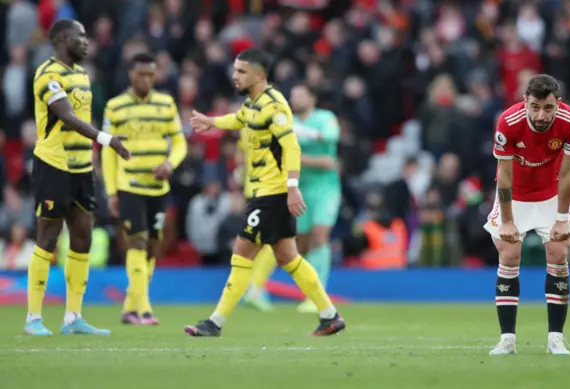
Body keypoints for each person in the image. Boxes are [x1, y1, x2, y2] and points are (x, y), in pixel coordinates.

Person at [186, 48, 345, 337]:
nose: (235, 76)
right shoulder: (253, 103)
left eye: (241, 71)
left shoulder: (275, 106)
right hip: (266, 192)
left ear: (259, 75)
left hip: (272, 193)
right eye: (235, 70)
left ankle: (215, 322)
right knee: (289, 258)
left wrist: (292, 189)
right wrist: (212, 121)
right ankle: (330, 316)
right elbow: (239, 119)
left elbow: (292, 146)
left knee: (242, 253)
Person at [26, 19, 130, 336]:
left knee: (83, 236)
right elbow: (67, 117)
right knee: (47, 237)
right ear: (62, 38)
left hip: (82, 166)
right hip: (53, 164)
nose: (87, 42)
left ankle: (73, 317)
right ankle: (33, 318)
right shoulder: (47, 74)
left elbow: (85, 118)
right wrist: (107, 139)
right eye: (81, 36)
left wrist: (94, 155)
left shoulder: (81, 75)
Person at [484, 74, 570, 355]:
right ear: (525, 103)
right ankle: (507, 340)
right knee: (509, 254)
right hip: (514, 194)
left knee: (558, 253)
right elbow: (503, 174)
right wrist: (506, 220)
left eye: (548, 108)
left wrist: (562, 216)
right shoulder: (508, 122)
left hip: (551, 193)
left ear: (558, 104)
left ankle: (556, 338)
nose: (541, 115)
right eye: (535, 107)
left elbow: (567, 172)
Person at [102, 53, 187, 326]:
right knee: (136, 243)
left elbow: (180, 142)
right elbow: (108, 152)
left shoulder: (166, 103)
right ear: (131, 74)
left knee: (151, 250)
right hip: (129, 185)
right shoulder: (115, 106)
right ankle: (145, 310)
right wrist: (112, 191)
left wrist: (170, 164)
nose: (146, 79)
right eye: (141, 74)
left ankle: (129, 307)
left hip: (158, 188)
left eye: (151, 74)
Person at [290, 83, 341, 313]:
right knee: (301, 243)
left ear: (312, 98)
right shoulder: (288, 121)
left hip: (325, 188)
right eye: (293, 96)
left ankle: (318, 296)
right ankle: (309, 292)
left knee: (320, 235)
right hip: (300, 188)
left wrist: (299, 154)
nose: (296, 100)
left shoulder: (325, 117)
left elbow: (330, 141)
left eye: (300, 95)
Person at [239, 126, 279, 312]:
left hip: (252, 187)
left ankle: (252, 288)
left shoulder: (246, 123)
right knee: (276, 241)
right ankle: (255, 289)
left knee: (257, 243)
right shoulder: (272, 122)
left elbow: (240, 155)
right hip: (268, 188)